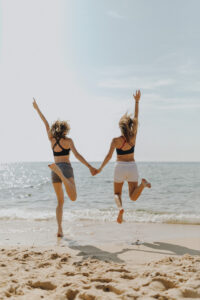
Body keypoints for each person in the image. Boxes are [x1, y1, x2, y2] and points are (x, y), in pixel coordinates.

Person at [33, 98, 97, 237]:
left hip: (54, 168)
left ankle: (59, 229)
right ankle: (62, 175)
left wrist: (37, 109)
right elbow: (78, 155)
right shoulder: (68, 141)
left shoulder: (51, 140)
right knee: (73, 197)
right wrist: (89, 166)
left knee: (60, 202)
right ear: (65, 129)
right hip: (66, 168)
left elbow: (45, 122)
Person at [96, 90, 151, 224]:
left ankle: (120, 208)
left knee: (117, 194)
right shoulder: (133, 137)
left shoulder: (115, 141)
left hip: (119, 167)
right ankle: (142, 185)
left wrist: (100, 168)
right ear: (130, 126)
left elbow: (108, 156)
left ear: (120, 128)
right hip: (132, 167)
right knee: (132, 196)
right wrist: (137, 101)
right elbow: (136, 117)